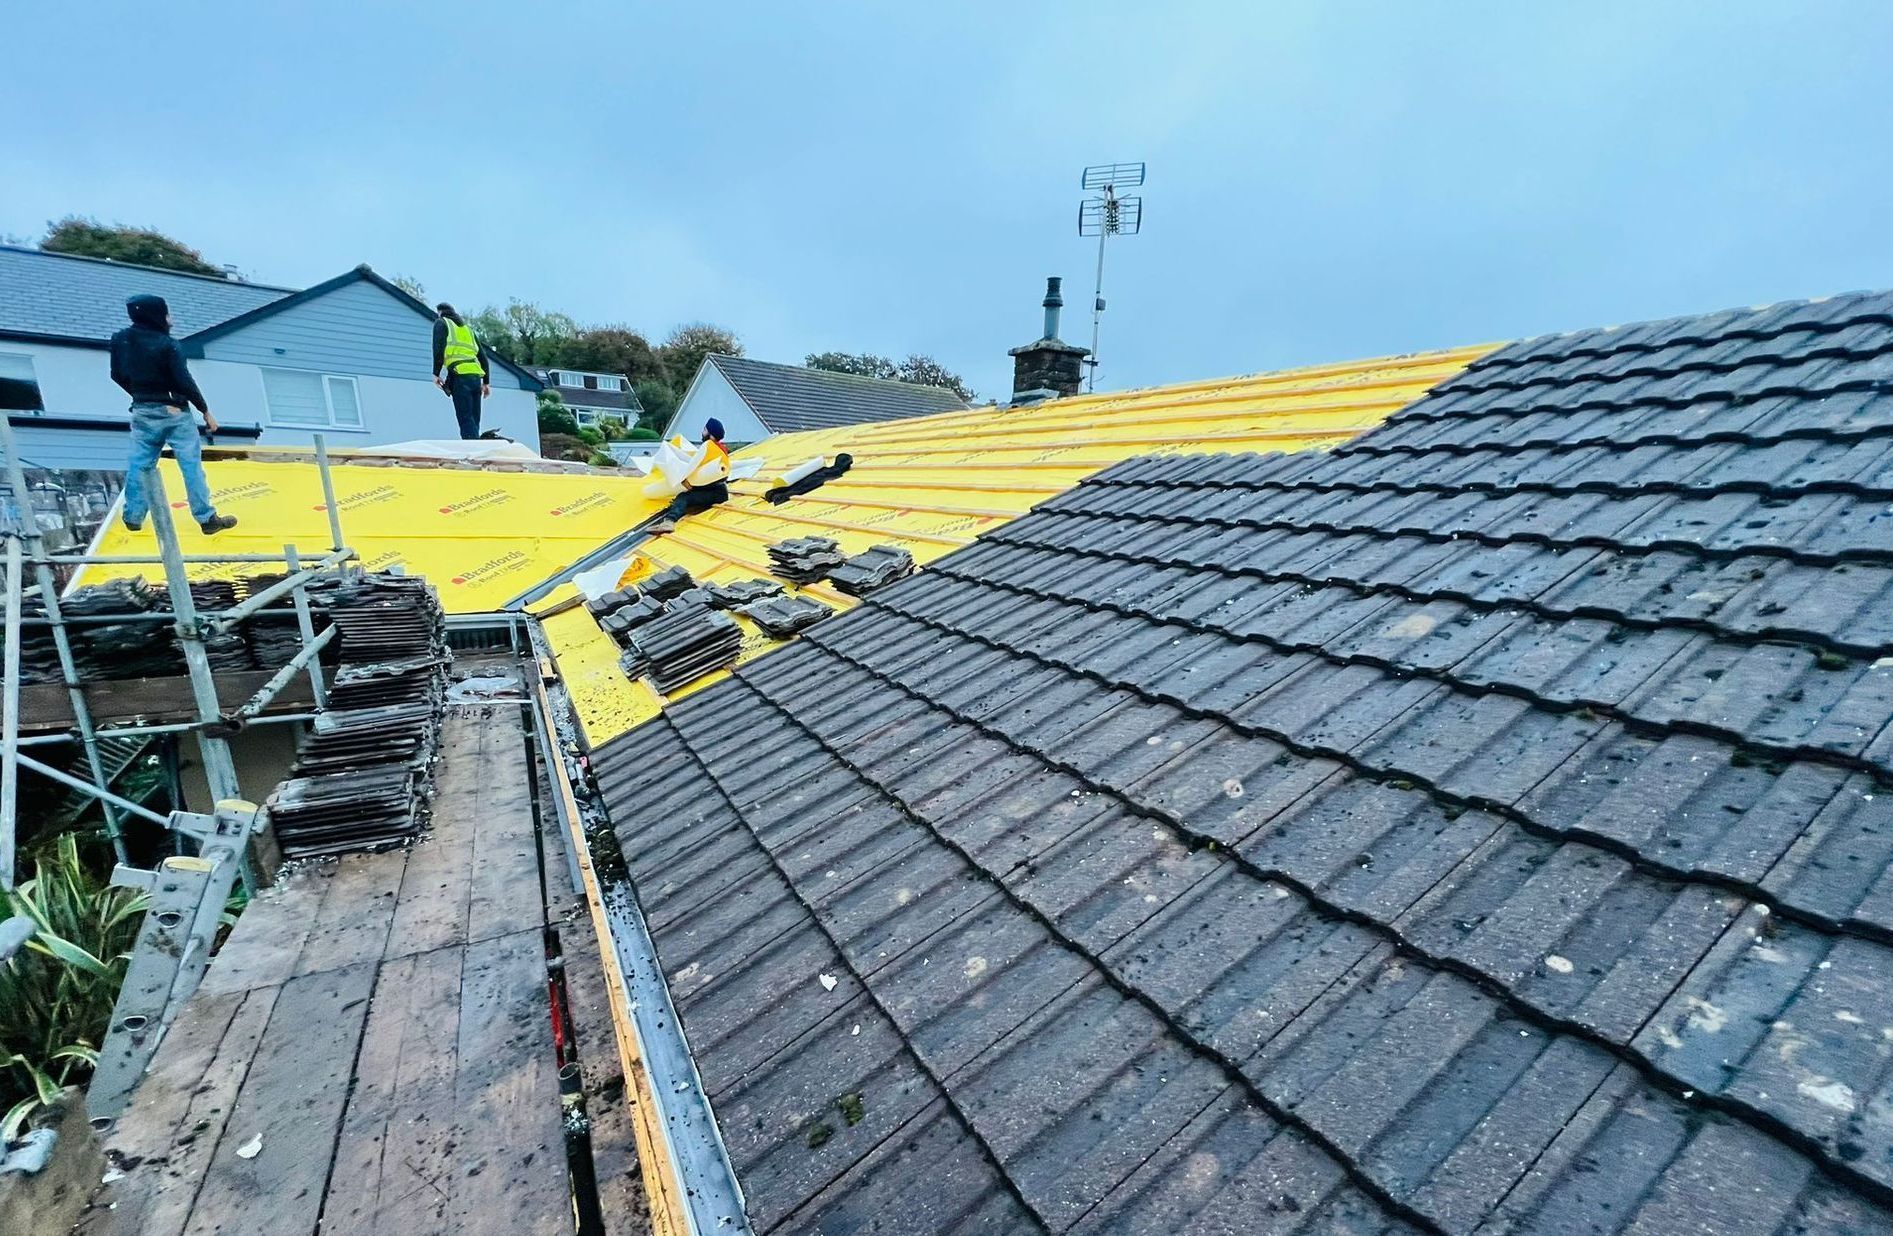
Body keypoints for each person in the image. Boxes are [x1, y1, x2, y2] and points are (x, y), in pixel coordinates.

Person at [110, 295, 236, 535]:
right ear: (157, 316)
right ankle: (206, 518)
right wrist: (205, 410)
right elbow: (184, 381)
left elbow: (116, 374)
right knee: (190, 465)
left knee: (140, 463)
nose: (172, 320)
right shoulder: (167, 345)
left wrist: (140, 394)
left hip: (142, 409)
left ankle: (133, 516)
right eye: (168, 315)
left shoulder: (120, 340)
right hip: (174, 410)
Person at [646, 419, 731, 534]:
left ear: (710, 434)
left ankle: (669, 522)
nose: (702, 432)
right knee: (688, 494)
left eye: (705, 430)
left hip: (715, 492)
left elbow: (691, 466)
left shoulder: (708, 445)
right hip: (721, 491)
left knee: (683, 497)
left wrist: (682, 479)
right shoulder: (722, 449)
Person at [431, 303, 490, 439]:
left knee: (465, 419)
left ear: (440, 312)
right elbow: (483, 357)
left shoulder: (441, 323)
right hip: (476, 377)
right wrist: (486, 383)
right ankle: (479, 448)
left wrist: (436, 373)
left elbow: (438, 349)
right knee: (474, 420)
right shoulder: (467, 330)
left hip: (459, 376)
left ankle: (473, 452)